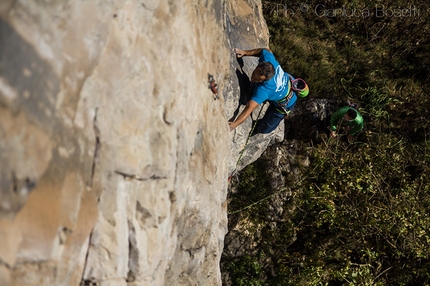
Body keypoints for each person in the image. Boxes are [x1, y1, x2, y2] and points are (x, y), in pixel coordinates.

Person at [229, 47, 309, 134]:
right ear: (260, 64)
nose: (253, 78)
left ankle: (257, 127)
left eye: (258, 79)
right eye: (254, 74)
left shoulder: (264, 90)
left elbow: (249, 108)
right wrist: (245, 52)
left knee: (264, 129)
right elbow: (265, 50)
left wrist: (234, 124)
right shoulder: (268, 62)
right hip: (286, 84)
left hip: (285, 104)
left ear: (266, 80)